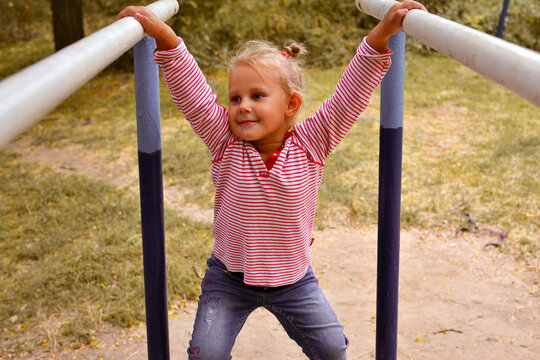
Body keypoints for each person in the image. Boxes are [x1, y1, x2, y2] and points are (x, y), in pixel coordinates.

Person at [118, 1, 426, 359]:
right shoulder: (224, 139)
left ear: (291, 105)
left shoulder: (314, 141)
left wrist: (383, 32)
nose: (242, 106)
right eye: (235, 98)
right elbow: (195, 96)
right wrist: (164, 36)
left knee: (332, 350)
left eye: (257, 96)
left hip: (294, 281)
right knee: (206, 355)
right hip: (229, 279)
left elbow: (350, 93)